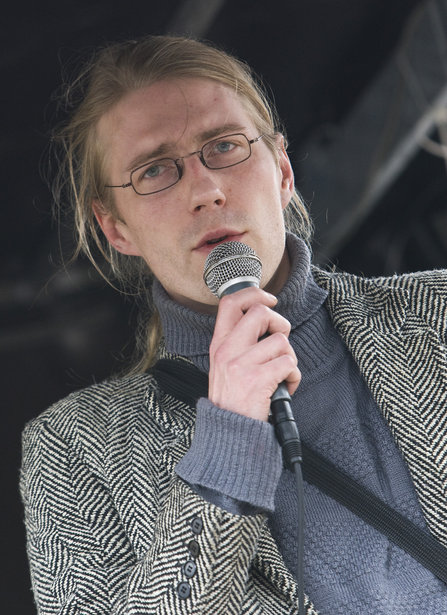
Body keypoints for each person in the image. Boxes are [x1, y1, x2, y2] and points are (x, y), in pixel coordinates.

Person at [20, 35, 447, 615]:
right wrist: (229, 444)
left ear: (283, 170)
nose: (206, 190)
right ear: (115, 228)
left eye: (223, 146)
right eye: (154, 170)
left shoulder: (435, 311)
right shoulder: (74, 448)